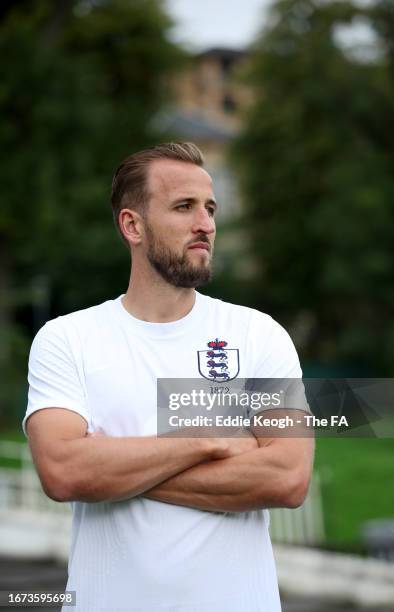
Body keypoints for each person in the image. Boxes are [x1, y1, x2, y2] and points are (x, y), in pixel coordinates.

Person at [24, 142, 314, 612]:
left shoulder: (261, 335)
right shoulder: (67, 339)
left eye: (210, 208)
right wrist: (206, 441)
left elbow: (287, 477)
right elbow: (62, 471)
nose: (206, 224)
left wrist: (111, 467)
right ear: (131, 225)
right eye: (184, 207)